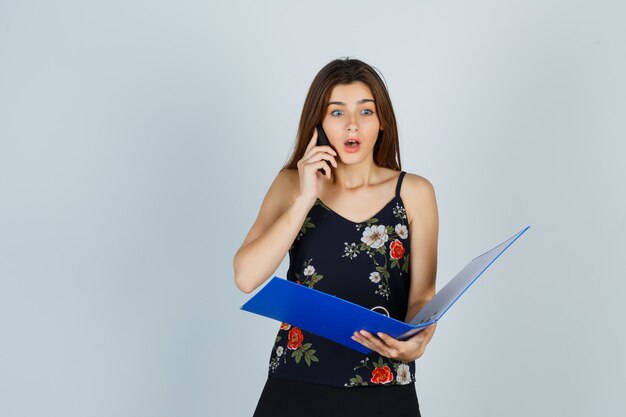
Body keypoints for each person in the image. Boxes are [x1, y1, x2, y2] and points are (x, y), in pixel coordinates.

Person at [233, 57, 439, 417]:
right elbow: (246, 277)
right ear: (320, 123)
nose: (352, 125)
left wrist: (418, 340)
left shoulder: (415, 192)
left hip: (386, 387)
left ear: (382, 122)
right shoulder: (290, 185)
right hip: (296, 386)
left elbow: (423, 293)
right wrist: (304, 198)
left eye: (365, 111)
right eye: (337, 112)